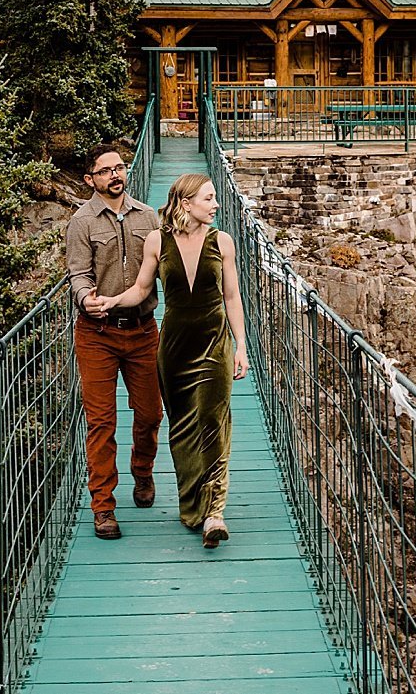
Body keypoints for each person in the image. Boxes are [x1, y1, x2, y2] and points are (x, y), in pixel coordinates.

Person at [115, 173, 248, 548]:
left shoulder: (223, 242)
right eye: (209, 198)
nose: (216, 205)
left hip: (213, 344)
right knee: (183, 430)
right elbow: (141, 288)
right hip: (173, 349)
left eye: (216, 198)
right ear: (186, 203)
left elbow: (233, 297)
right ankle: (193, 506)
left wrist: (241, 346)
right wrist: (109, 302)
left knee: (214, 422)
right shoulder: (157, 241)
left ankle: (215, 512)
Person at [64, 142, 163, 541]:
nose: (115, 175)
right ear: (91, 179)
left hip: (142, 330)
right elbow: (78, 274)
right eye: (105, 171)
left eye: (119, 168)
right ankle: (103, 506)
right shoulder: (81, 222)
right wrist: (86, 300)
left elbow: (162, 267)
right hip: (97, 335)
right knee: (101, 421)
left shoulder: (149, 216)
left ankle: (143, 471)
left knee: (151, 414)